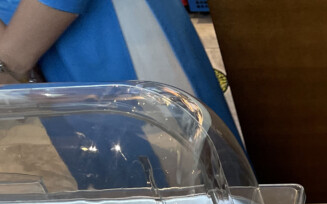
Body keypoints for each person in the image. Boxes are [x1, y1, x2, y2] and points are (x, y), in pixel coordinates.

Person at [0, 0, 239, 140]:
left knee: (176, 188)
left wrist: (11, 61)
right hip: (64, 70)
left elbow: (12, 60)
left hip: (116, 52)